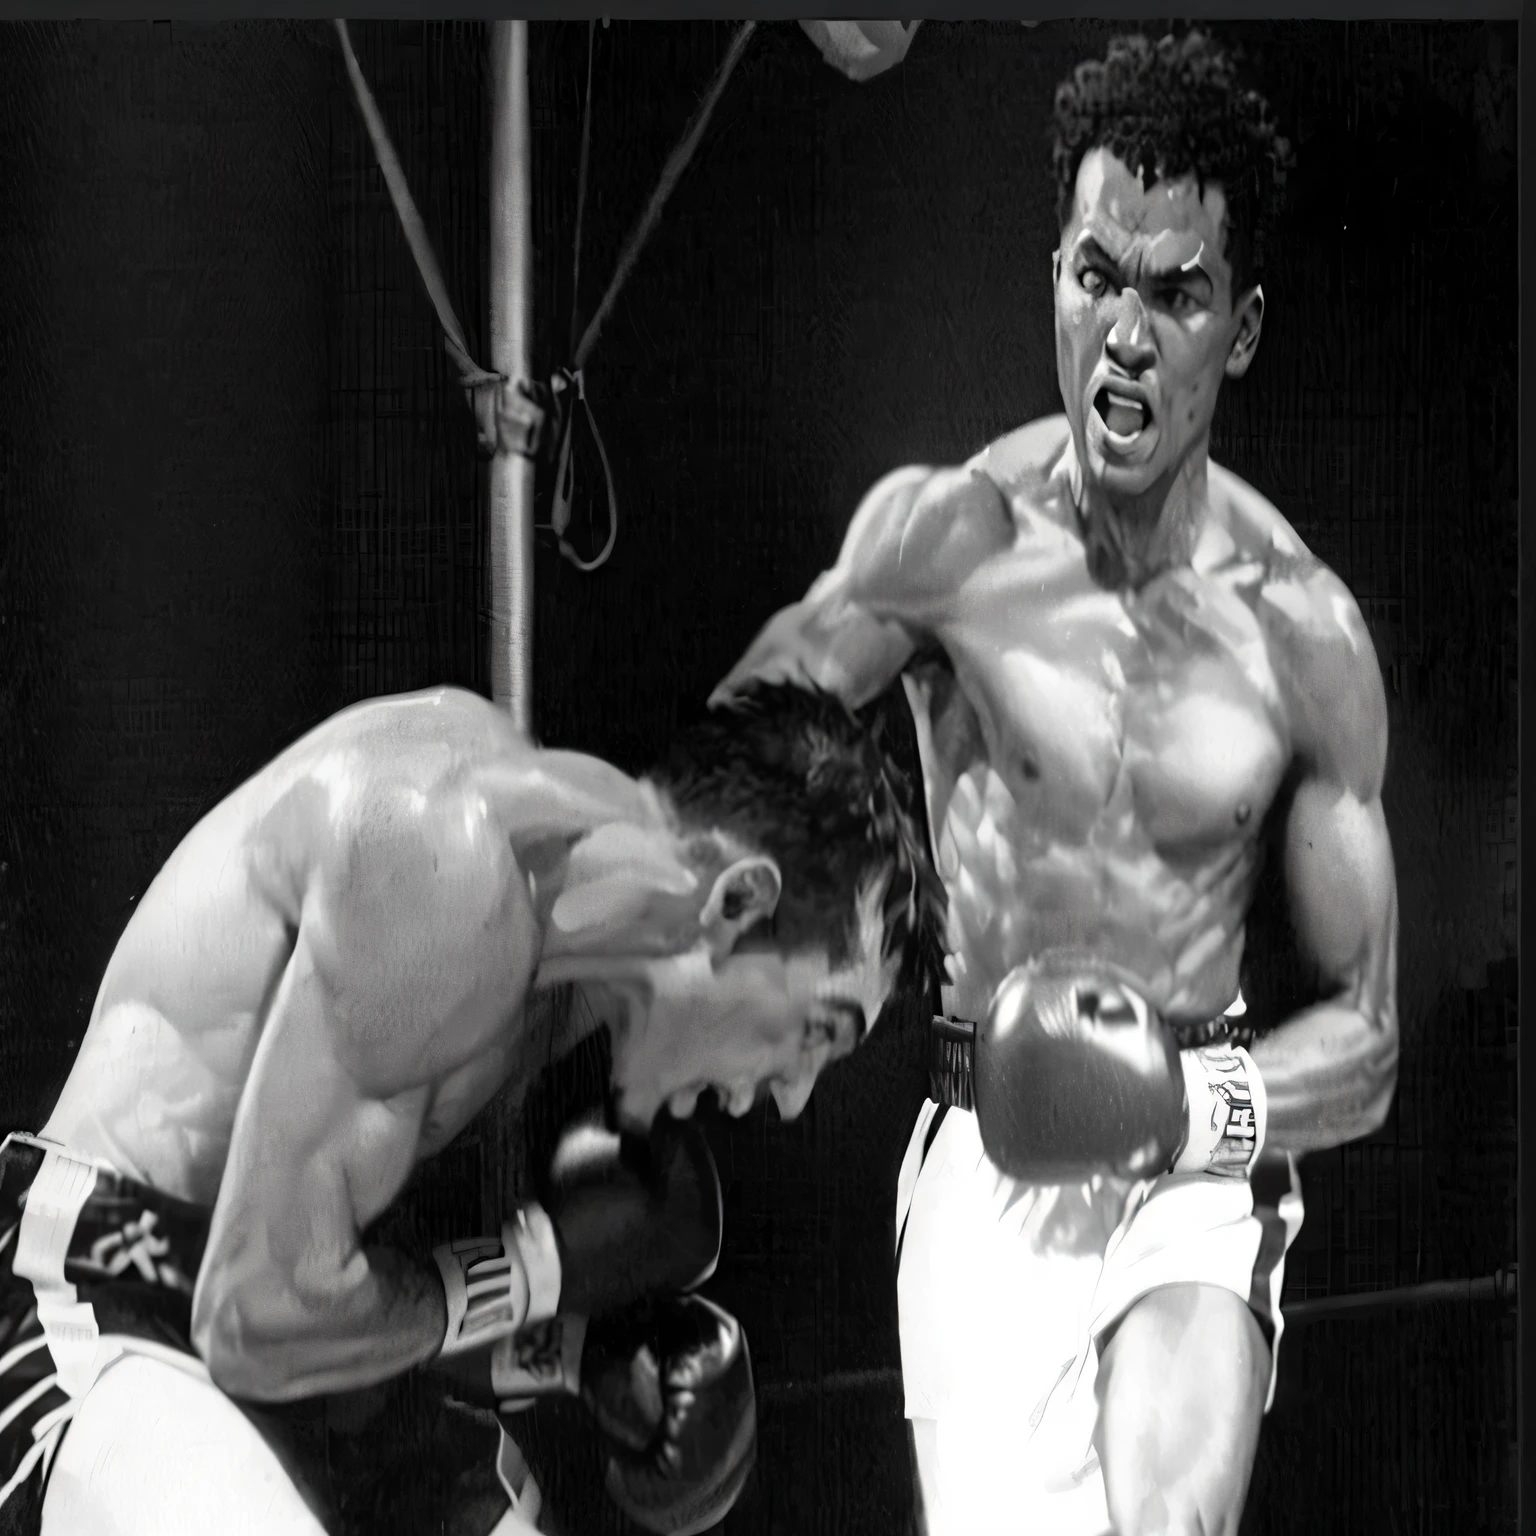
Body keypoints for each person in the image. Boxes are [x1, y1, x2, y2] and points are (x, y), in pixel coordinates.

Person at [714, 29, 1398, 1536]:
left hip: (1199, 1153)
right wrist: (811, 922)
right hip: (985, 1152)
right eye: (1098, 276)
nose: (1128, 336)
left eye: (1176, 294)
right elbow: (736, 755)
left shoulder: (1304, 630)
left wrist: (1184, 1106)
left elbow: (1369, 1041)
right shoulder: (951, 542)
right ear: (1052, 277)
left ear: (1245, 324)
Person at [0, 679, 942, 1536]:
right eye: (816, 1030)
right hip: (98, 1295)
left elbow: (371, 1290)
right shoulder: (445, 857)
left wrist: (573, 1354)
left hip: (307, 1373)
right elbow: (262, 1308)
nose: (790, 1098)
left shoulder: (562, 978)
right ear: (737, 903)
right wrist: (528, 1273)